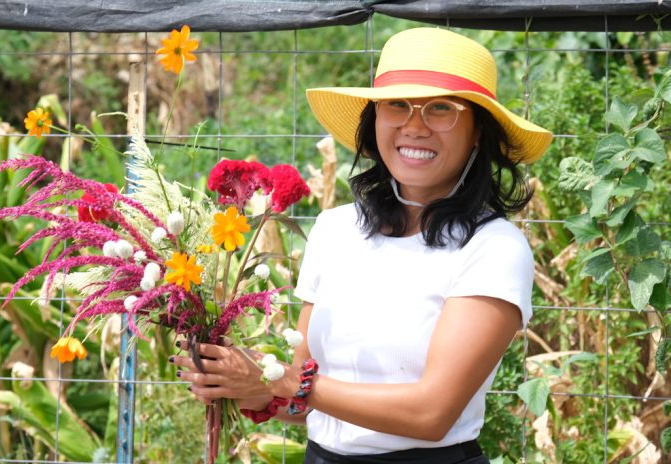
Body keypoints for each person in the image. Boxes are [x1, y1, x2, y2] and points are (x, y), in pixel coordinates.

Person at [171, 27, 552, 463]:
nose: (414, 126)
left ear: (479, 132)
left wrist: (277, 381)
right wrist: (243, 387)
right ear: (376, 119)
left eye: (441, 109)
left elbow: (432, 413)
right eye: (397, 105)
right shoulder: (336, 230)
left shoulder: (493, 247)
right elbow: (309, 399)